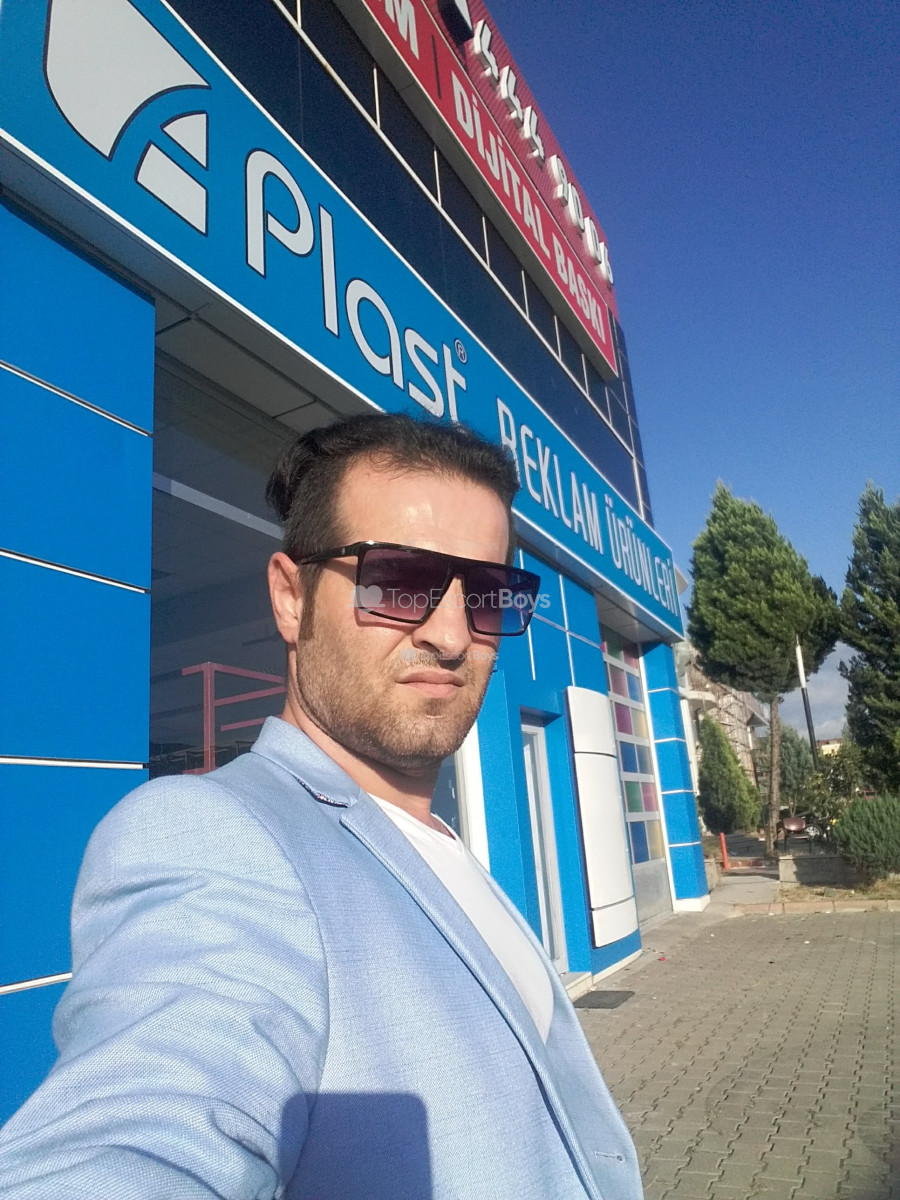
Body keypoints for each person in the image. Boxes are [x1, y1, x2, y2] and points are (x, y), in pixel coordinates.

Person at [0, 413, 643, 1199]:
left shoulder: (435, 842)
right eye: (398, 581)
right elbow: (144, 1130)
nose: (451, 635)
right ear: (289, 597)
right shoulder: (214, 838)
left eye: (486, 593)